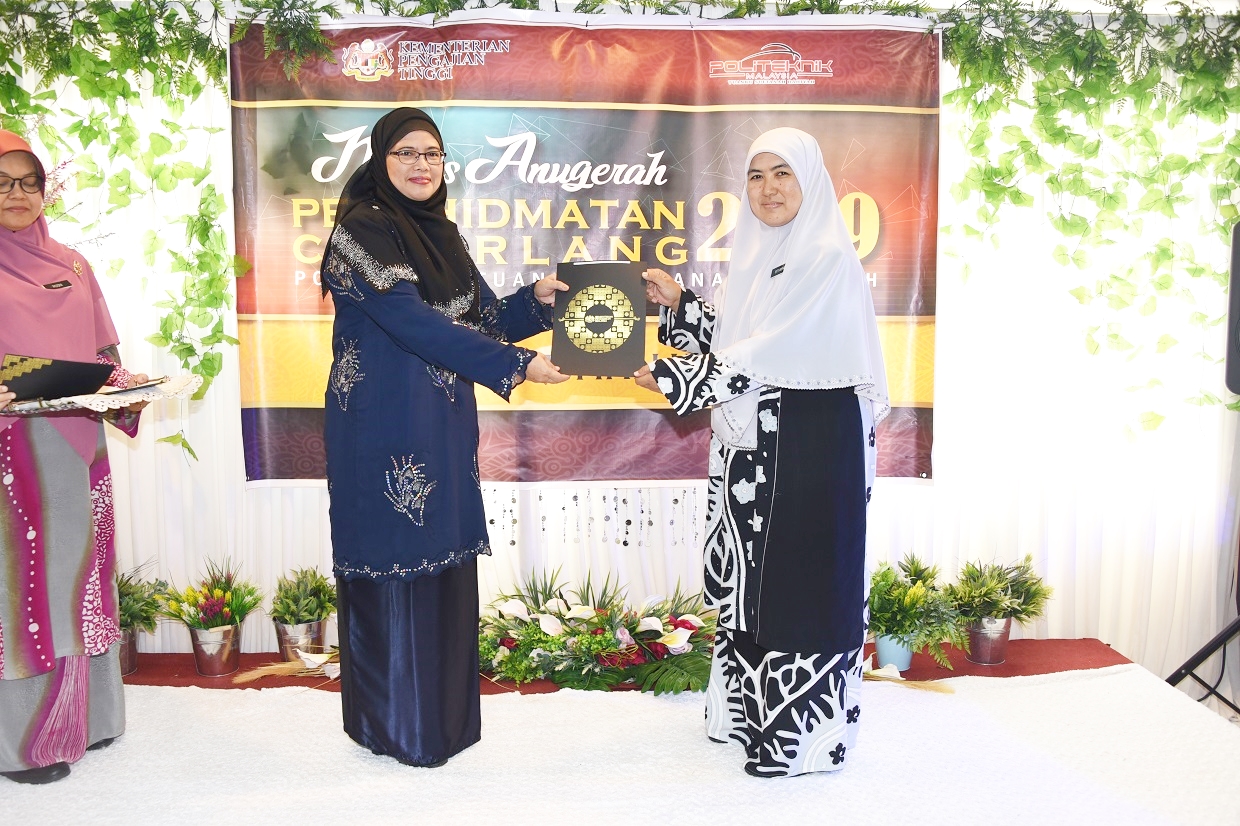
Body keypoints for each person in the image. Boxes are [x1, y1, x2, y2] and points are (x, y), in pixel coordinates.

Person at [634, 127, 889, 778]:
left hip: (811, 442)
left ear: (810, 180)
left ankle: (796, 740)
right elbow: (740, 338)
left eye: (783, 173)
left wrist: (679, 377)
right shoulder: (760, 256)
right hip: (761, 445)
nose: (769, 188)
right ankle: (750, 719)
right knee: (754, 581)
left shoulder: (826, 256)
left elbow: (777, 349)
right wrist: (681, 307)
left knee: (799, 581)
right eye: (756, 175)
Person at [320, 107, 569, 767]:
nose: (421, 165)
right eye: (406, 152)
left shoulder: (442, 235)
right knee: (395, 559)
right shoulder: (361, 230)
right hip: (381, 426)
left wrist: (538, 302)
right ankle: (395, 727)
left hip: (441, 425)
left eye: (431, 153)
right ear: (381, 160)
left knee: (442, 560)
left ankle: (443, 724)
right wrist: (518, 366)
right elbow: (416, 325)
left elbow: (479, 320)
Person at [0, 130, 149, 784]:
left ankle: (91, 718)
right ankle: (24, 742)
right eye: (2, 182)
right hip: (12, 454)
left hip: (79, 447)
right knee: (23, 592)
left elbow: (102, 354)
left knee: (84, 582)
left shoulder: (73, 263)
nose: (18, 193)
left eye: (29, 181)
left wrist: (132, 387)